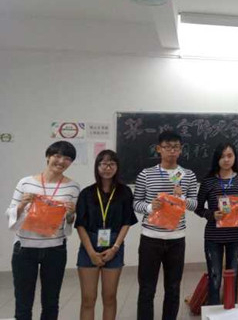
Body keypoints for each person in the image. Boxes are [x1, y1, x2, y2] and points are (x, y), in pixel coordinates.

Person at [5, 141, 80, 320]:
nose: (61, 161)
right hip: (24, 248)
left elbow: (69, 222)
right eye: (57, 156)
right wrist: (22, 204)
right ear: (48, 156)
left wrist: (71, 214)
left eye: (67, 158)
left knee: (51, 301)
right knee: (23, 301)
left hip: (55, 249)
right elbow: (10, 214)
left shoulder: (73, 187)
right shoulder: (25, 182)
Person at [133, 131, 199, 320]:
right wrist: (149, 207)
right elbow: (136, 203)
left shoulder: (188, 175)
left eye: (175, 147)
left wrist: (181, 198)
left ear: (181, 150)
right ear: (158, 149)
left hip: (176, 239)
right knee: (147, 288)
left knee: (173, 288)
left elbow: (194, 204)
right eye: (167, 147)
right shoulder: (146, 174)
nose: (172, 151)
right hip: (150, 239)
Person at [75, 150, 138, 320]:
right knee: (88, 299)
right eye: (103, 164)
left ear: (117, 167)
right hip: (89, 245)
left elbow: (126, 222)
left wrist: (115, 248)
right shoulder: (86, 193)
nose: (107, 168)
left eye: (112, 164)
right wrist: (91, 253)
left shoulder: (125, 192)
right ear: (97, 167)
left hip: (114, 245)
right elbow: (80, 224)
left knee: (109, 297)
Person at [195, 142, 238, 305]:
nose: (226, 160)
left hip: (236, 236)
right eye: (222, 156)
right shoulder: (208, 181)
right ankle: (213, 312)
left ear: (235, 157)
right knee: (215, 278)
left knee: (233, 278)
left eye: (230, 155)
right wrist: (211, 214)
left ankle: (230, 311)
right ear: (217, 159)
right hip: (213, 236)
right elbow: (198, 208)